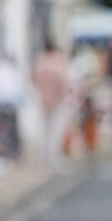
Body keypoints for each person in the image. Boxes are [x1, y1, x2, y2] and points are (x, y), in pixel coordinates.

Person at [31, 38, 72, 167]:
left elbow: (33, 78)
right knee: (55, 130)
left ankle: (45, 157)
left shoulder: (40, 61)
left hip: (43, 100)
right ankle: (52, 157)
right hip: (56, 101)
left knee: (44, 130)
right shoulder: (57, 62)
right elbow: (63, 81)